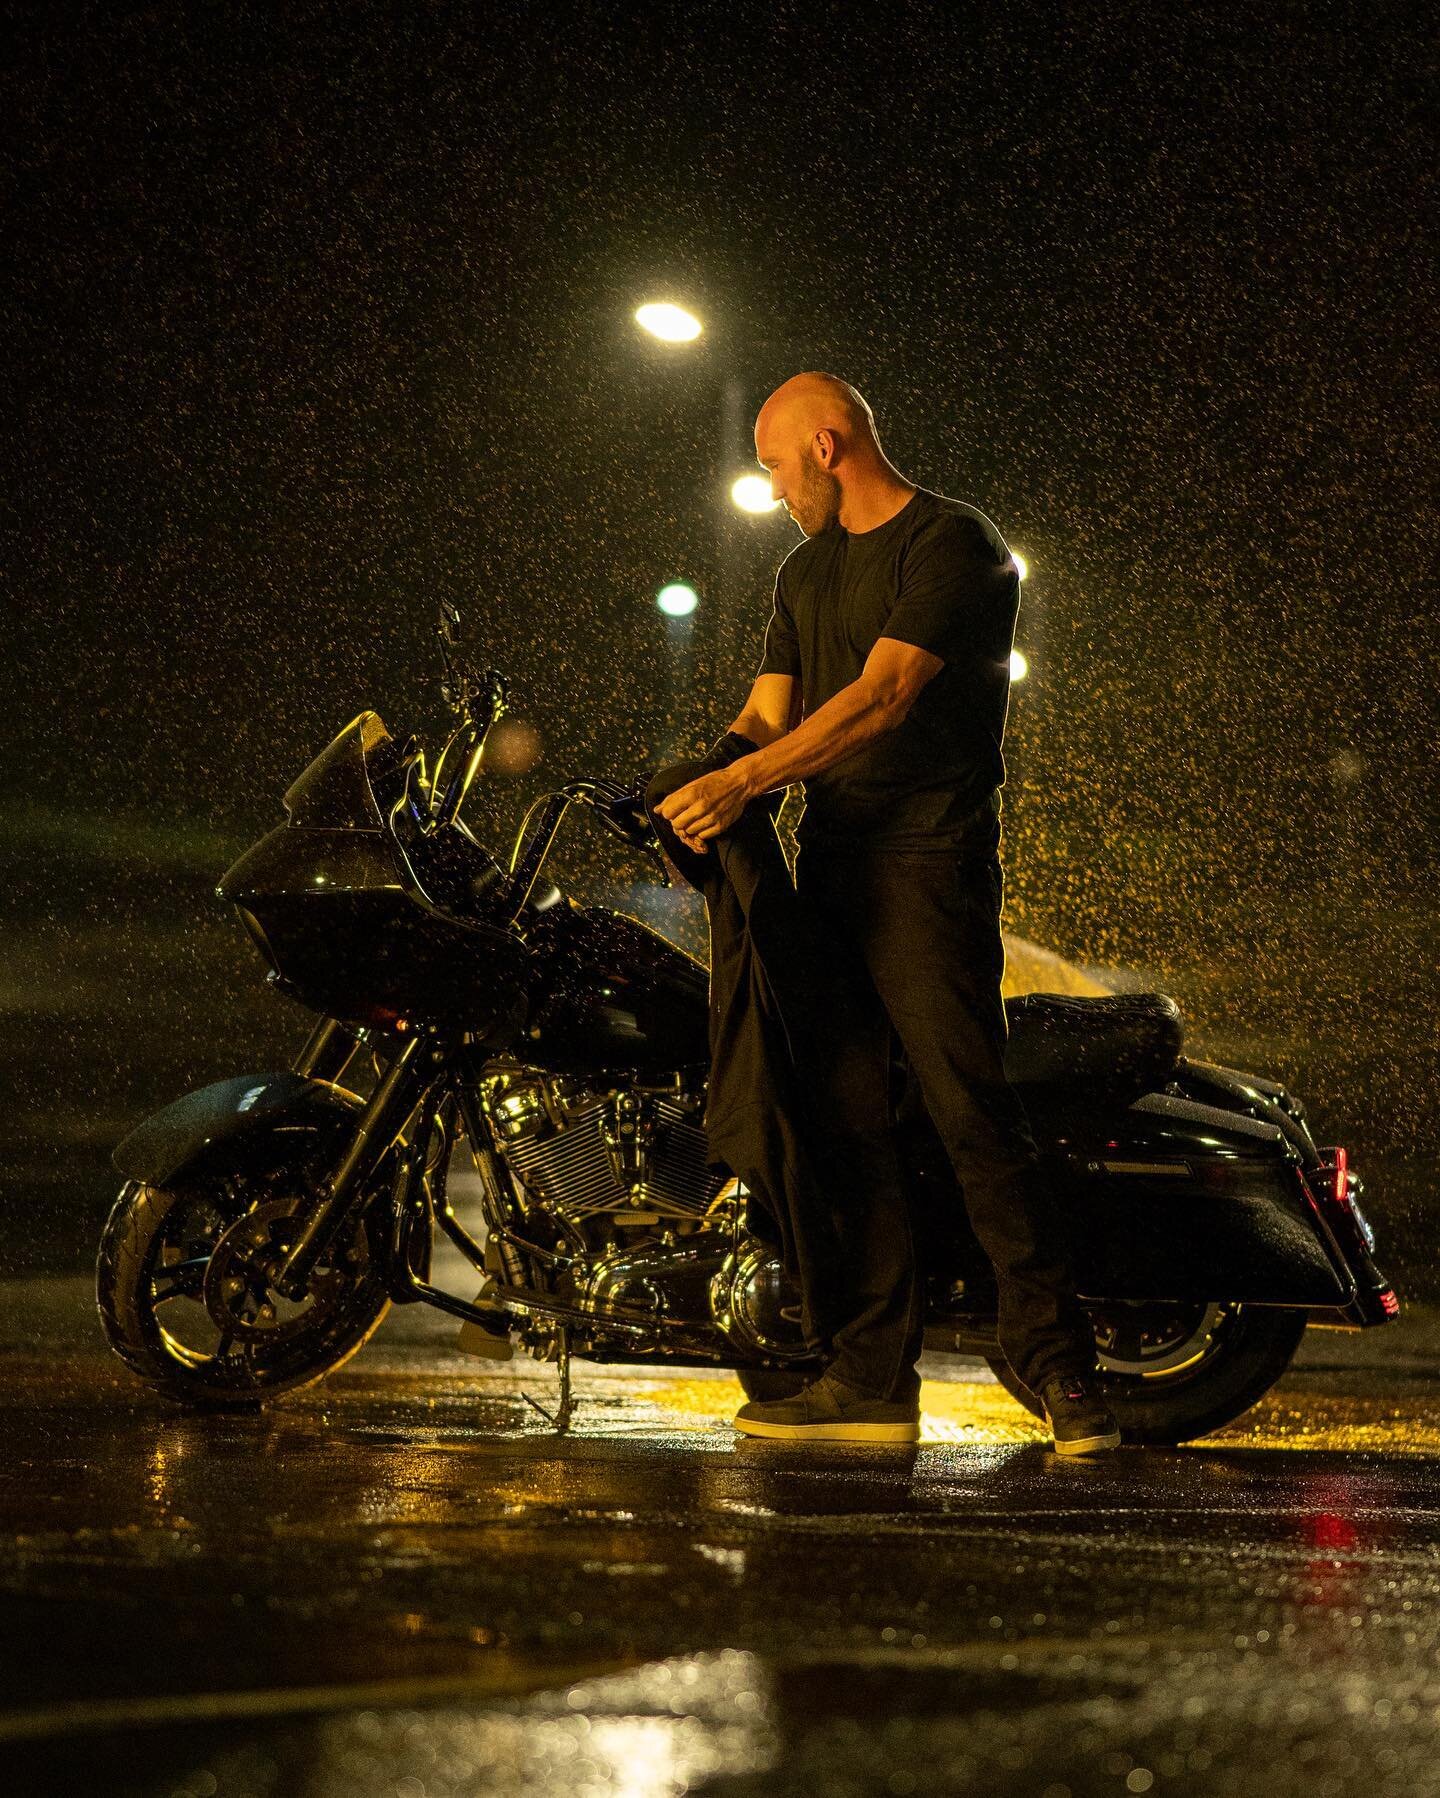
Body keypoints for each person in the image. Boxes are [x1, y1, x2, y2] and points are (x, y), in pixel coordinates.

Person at [655, 372, 1120, 1455]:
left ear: (828, 443)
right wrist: (684, 787)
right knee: (842, 1117)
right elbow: (765, 715)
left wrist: (745, 783)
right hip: (836, 863)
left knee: (969, 1107)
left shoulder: (951, 543)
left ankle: (1063, 1373)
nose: (771, 490)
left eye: (774, 466)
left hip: (927, 863)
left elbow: (882, 696)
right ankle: (870, 1377)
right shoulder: (804, 571)